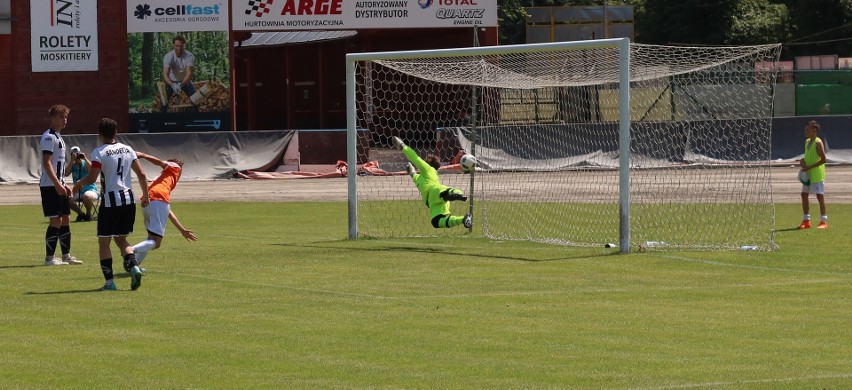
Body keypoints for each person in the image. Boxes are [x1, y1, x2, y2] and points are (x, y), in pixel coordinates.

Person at [73, 118, 149, 291]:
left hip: (110, 202)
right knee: (121, 239)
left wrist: (78, 184)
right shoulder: (128, 149)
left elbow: (92, 178)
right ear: (116, 132)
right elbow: (142, 175)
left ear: (100, 134)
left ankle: (109, 283)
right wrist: (146, 195)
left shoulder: (99, 152)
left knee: (104, 242)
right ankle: (134, 266)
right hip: (129, 200)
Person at [131, 151, 198, 268]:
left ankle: (134, 265)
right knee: (156, 242)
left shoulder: (165, 180)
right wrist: (143, 155)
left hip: (148, 201)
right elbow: (160, 162)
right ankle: (130, 251)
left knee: (150, 239)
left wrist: (182, 230)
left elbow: (167, 211)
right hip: (157, 200)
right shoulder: (175, 167)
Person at [392, 136, 472, 229]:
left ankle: (458, 194)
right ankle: (464, 219)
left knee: (444, 192)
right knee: (436, 222)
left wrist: (402, 146)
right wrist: (411, 171)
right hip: (433, 203)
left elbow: (415, 158)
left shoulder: (428, 169)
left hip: (434, 191)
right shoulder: (419, 177)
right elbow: (414, 176)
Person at [38, 104, 83, 266]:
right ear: (53, 118)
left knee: (66, 219)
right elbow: (47, 163)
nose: (65, 120)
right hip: (50, 186)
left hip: (58, 184)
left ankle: (66, 255)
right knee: (55, 220)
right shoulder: (49, 137)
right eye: (61, 117)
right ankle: (49, 258)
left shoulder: (58, 137)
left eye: (66, 117)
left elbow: (59, 166)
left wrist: (64, 183)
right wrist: (57, 184)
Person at [797, 120, 828, 229]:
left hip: (816, 174)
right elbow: (809, 156)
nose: (805, 132)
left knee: (819, 196)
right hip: (808, 173)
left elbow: (823, 159)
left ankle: (823, 221)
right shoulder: (807, 141)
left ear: (814, 130)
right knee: (804, 194)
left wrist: (809, 167)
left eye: (807, 130)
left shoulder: (818, 142)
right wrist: (802, 160)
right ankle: (806, 220)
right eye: (805, 129)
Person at [160, 35, 197, 113]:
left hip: (185, 81)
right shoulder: (168, 56)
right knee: (163, 103)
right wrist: (172, 85)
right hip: (171, 81)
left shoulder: (189, 56)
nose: (179, 48)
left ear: (184, 45)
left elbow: (189, 73)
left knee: (196, 99)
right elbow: (165, 74)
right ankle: (162, 120)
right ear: (173, 45)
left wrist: (181, 84)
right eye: (177, 46)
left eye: (181, 46)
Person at [64, 146, 99, 222]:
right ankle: (80, 213)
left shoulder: (84, 163)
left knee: (86, 196)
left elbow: (91, 168)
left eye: (77, 154)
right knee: (65, 199)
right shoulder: (72, 165)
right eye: (74, 154)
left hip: (90, 190)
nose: (76, 156)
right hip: (78, 191)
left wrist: (85, 158)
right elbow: (66, 173)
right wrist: (72, 161)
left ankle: (88, 214)